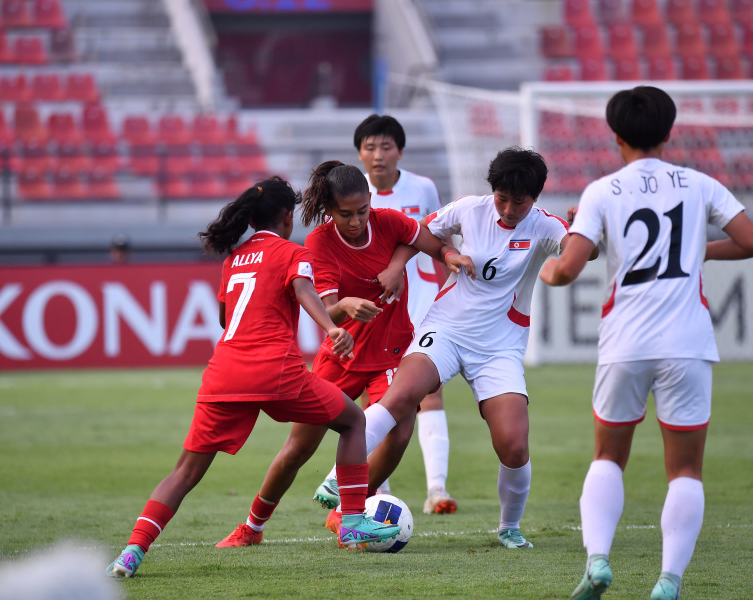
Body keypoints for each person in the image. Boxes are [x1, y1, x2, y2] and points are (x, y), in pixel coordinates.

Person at [105, 177, 402, 578]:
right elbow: (303, 290)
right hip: (276, 370)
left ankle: (131, 552)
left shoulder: (233, 259)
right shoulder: (292, 252)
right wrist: (331, 329)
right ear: (285, 216)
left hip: (224, 374)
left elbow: (227, 319)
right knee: (354, 420)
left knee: (184, 472)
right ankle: (351, 525)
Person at [538, 86, 753, 600]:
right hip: (687, 343)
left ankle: (597, 561)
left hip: (625, 343)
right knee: (685, 469)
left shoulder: (602, 191)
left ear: (616, 135)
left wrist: (550, 267)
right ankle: (669, 581)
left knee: (607, 457)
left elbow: (567, 270)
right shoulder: (700, 184)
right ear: (668, 133)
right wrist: (695, 249)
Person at [316, 146, 599, 550]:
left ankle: (509, 527)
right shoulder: (470, 208)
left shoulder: (545, 226)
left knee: (515, 445)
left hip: (499, 348)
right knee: (403, 396)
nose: (508, 209)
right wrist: (408, 263)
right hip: (446, 329)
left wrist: (583, 232)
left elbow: (584, 251)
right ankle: (336, 479)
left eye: (519, 201)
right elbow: (419, 233)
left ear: (534, 198)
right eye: (502, 198)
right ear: (493, 191)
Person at [214, 161, 472, 548]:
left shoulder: (388, 221)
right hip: (342, 354)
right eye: (345, 214)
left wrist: (447, 258)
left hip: (389, 352)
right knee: (299, 447)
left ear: (371, 201)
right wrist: (347, 307)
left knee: (401, 429)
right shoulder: (318, 242)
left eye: (362, 211)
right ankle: (252, 526)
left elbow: (427, 241)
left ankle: (347, 511)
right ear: (329, 211)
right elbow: (327, 308)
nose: (355, 222)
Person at [354, 114, 457, 514]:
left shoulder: (422, 188)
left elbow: (440, 240)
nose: (378, 155)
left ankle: (438, 491)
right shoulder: (349, 194)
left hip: (422, 306)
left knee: (430, 393)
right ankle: (377, 493)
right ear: (359, 152)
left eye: (386, 147)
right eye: (370, 147)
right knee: (376, 400)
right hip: (374, 313)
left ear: (400, 150)